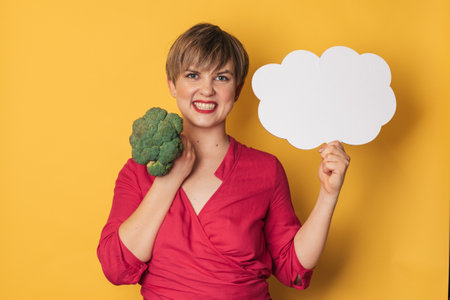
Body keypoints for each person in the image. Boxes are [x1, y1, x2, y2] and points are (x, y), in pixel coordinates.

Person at [97, 23, 350, 299]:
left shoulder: (266, 170)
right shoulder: (139, 170)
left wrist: (328, 195)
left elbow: (292, 266)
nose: (207, 90)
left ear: (237, 89)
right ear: (172, 84)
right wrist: (166, 183)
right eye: (193, 75)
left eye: (221, 78)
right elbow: (116, 266)